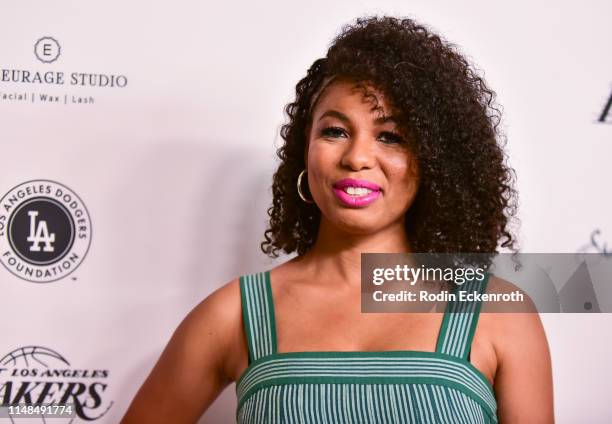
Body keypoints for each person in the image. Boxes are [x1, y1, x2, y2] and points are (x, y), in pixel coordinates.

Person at [121, 15, 554, 423]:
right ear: (303, 150)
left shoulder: (497, 313)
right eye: (335, 131)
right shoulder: (234, 314)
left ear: (434, 163)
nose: (357, 157)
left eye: (391, 137)